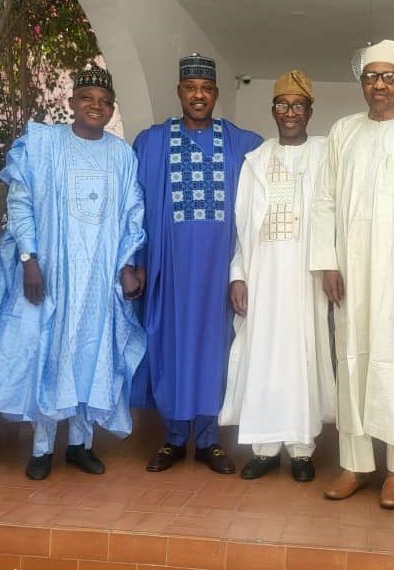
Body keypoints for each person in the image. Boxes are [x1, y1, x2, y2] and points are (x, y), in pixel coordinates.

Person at [0, 65, 146, 480]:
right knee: (49, 354)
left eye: (105, 103)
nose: (96, 106)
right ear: (72, 103)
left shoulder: (122, 154)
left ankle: (80, 445)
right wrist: (29, 259)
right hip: (52, 275)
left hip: (99, 278)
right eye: (87, 98)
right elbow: (20, 204)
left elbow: (131, 213)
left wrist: (127, 266)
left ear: (112, 111)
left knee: (92, 354)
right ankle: (40, 448)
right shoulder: (45, 146)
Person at [311, 39, 394, 509]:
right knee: (352, 363)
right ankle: (355, 465)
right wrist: (327, 261)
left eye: (388, 76)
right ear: (361, 83)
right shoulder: (342, 131)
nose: (379, 85)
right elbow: (324, 200)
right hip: (350, 270)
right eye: (371, 77)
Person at [133, 53, 262, 474]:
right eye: (191, 88)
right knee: (170, 347)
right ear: (179, 93)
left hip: (219, 271)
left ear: (216, 95)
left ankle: (209, 440)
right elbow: (134, 208)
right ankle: (172, 438)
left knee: (215, 350)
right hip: (169, 268)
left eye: (206, 89)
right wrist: (136, 262)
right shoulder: (152, 142)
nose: (198, 95)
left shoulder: (244, 143)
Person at [219, 70, 335, 482]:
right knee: (264, 359)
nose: (290, 113)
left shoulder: (326, 154)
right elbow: (241, 226)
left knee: (302, 358)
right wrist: (239, 276)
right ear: (273, 111)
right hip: (264, 277)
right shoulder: (256, 161)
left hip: (307, 278)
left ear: (309, 111)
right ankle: (265, 449)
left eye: (298, 105)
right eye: (283, 105)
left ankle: (302, 450)